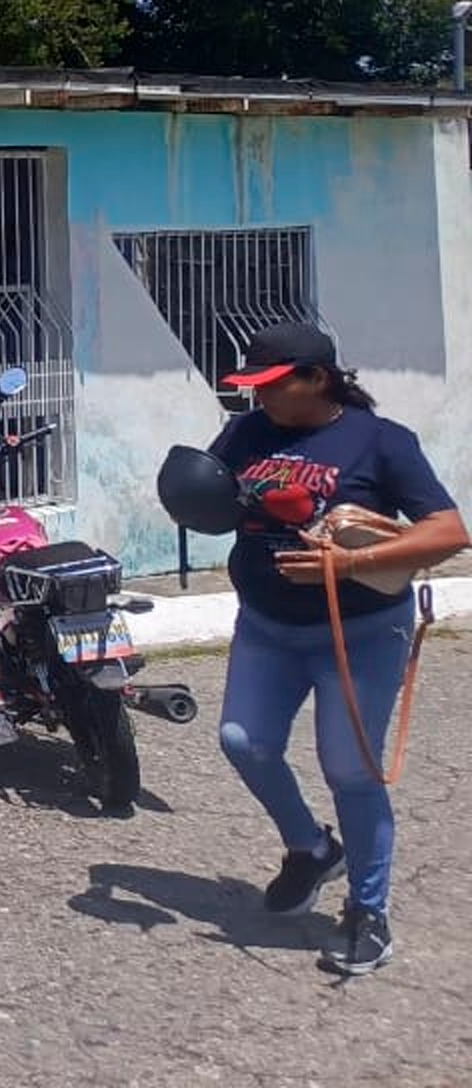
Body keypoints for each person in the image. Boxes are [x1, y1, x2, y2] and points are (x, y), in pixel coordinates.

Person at [205, 320, 466, 979]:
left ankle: (368, 912)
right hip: (266, 624)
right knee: (243, 741)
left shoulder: (381, 442)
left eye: (273, 384)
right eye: (254, 385)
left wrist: (351, 564)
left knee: (350, 770)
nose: (260, 396)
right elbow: (214, 497)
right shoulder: (246, 433)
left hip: (361, 633)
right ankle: (312, 849)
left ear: (316, 379)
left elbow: (449, 532)